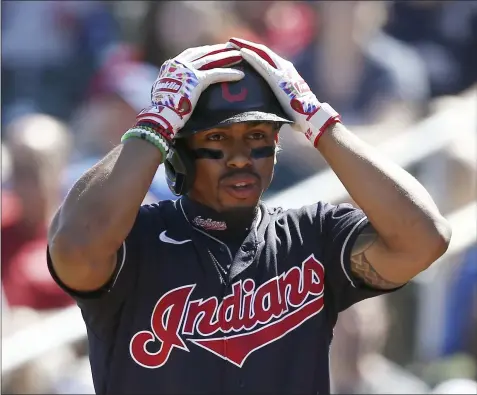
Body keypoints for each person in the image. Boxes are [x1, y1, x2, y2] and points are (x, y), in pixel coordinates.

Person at [47, 40, 451, 394]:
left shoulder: (312, 234)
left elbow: (424, 237)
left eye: (257, 136)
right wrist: (158, 121)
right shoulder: (135, 240)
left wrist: (318, 121)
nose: (241, 157)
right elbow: (74, 244)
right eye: (217, 138)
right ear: (178, 151)